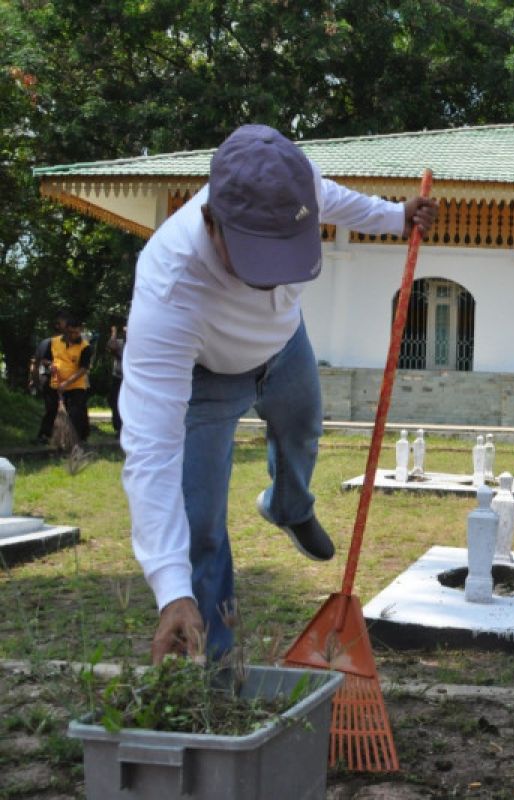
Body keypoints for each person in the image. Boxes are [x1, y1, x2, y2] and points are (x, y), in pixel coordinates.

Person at [121, 124, 438, 664]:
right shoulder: (169, 289)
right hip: (208, 380)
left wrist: (395, 216)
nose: (267, 278)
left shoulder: (298, 185)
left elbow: (335, 200)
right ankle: (211, 662)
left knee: (303, 428)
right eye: (253, 257)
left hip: (285, 346)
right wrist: (170, 589)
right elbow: (151, 448)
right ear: (209, 220)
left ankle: (287, 505)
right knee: (200, 525)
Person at [49, 315, 92, 444]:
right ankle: (59, 439)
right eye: (71, 332)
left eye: (77, 332)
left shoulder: (85, 347)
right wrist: (51, 366)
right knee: (54, 411)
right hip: (56, 383)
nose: (74, 335)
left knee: (75, 414)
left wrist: (67, 383)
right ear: (66, 330)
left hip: (76, 385)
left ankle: (76, 441)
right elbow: (50, 359)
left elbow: (83, 369)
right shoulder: (55, 341)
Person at [30, 312, 68, 444]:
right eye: (65, 323)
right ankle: (44, 434)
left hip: (68, 380)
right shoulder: (48, 343)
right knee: (51, 408)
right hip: (49, 379)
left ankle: (64, 436)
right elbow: (38, 361)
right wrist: (35, 380)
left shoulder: (71, 343)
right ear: (57, 326)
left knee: (70, 408)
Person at [106, 323, 126, 435]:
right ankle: (118, 428)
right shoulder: (119, 343)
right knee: (115, 402)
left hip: (131, 380)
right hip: (118, 378)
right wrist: (113, 332)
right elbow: (111, 346)